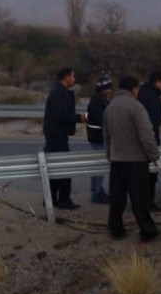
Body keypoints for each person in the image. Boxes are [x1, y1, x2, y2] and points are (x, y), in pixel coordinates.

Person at [103, 76, 161, 242]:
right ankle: (147, 230)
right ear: (134, 88)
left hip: (117, 159)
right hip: (136, 160)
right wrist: (154, 155)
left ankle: (116, 229)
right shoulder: (136, 107)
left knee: (117, 198)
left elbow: (106, 134)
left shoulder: (110, 107)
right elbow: (146, 134)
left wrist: (110, 154)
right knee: (139, 199)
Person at [43, 67, 86, 210]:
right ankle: (62, 199)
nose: (74, 79)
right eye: (72, 76)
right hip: (56, 135)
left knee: (55, 167)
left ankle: (52, 198)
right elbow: (61, 114)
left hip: (57, 134)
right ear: (67, 77)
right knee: (63, 167)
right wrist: (78, 118)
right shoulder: (58, 93)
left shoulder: (60, 92)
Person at [137, 70, 161, 211]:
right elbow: (154, 123)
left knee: (140, 175)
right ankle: (148, 203)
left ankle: (140, 203)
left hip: (137, 138)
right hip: (149, 138)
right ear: (158, 82)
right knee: (150, 174)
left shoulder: (140, 92)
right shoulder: (153, 98)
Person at [86, 74, 113, 204]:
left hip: (99, 137)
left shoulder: (102, 100)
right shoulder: (97, 101)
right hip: (98, 138)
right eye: (108, 87)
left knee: (100, 167)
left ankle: (98, 190)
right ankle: (96, 193)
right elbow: (100, 119)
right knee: (98, 166)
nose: (110, 90)